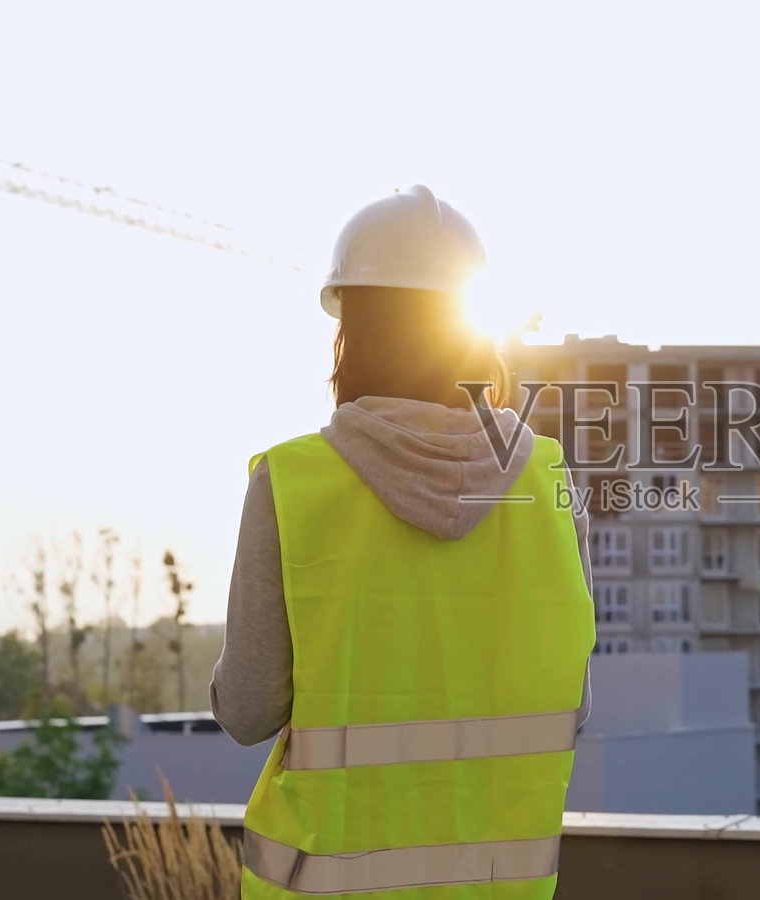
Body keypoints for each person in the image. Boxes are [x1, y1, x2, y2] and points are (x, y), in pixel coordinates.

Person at [210, 185, 596, 899]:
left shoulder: (293, 482)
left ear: (349, 330)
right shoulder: (547, 481)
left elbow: (246, 712)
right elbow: (569, 709)